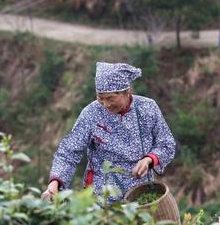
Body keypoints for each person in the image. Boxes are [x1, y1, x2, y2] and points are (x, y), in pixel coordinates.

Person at [41, 62, 176, 203]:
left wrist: (149, 159)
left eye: (110, 98)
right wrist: (55, 182)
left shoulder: (147, 108)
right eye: (100, 97)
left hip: (140, 194)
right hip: (101, 196)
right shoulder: (91, 113)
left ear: (127, 92)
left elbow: (166, 144)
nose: (105, 104)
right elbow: (68, 151)